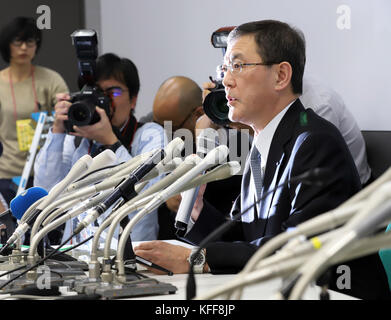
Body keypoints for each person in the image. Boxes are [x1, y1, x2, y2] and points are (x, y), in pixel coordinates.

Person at [134, 20, 390, 299]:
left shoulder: (316, 142)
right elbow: (243, 240)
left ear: (281, 76)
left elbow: (294, 251)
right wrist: (197, 211)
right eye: (224, 69)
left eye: (238, 66)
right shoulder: (260, 144)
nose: (226, 80)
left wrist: (194, 259)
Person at [34, 53, 165, 242]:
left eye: (114, 92)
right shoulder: (77, 140)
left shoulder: (150, 134)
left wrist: (111, 142)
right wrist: (57, 132)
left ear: (133, 99)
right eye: (97, 93)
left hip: (133, 256)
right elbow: (45, 192)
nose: (104, 102)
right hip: (76, 257)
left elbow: (148, 195)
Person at [0, 17, 68, 235]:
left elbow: (66, 115)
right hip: (7, 173)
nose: (23, 48)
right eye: (17, 42)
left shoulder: (50, 79)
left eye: (30, 42)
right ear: (7, 45)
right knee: (11, 236)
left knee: (45, 236)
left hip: (45, 171)